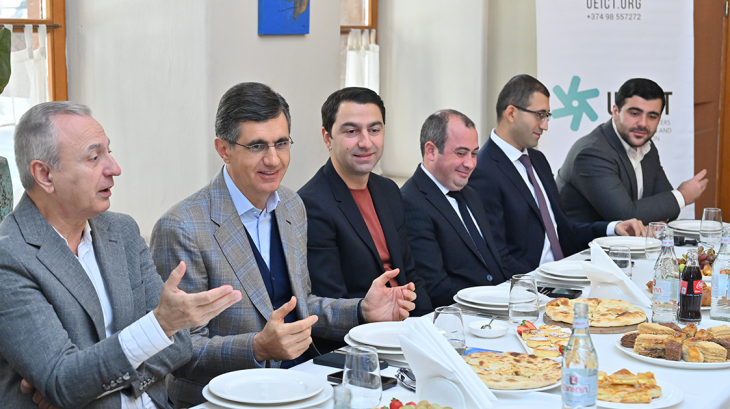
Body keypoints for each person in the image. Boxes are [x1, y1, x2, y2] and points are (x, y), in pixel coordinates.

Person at [150, 82, 417, 408]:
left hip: (304, 382)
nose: (273, 159)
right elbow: (177, 352)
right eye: (257, 146)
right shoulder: (182, 227)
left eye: (281, 143)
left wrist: (361, 309)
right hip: (228, 400)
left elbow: (304, 305)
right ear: (224, 149)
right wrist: (257, 347)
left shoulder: (291, 205)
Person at [0, 101, 241, 409]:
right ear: (44, 174)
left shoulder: (121, 232)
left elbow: (179, 345)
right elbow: (63, 382)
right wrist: (158, 327)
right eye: (94, 157)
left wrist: (91, 388)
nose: (114, 168)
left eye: (109, 152)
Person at [468, 75, 645, 277]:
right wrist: (548, 282)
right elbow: (498, 257)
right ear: (511, 113)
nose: (545, 125)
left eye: (547, 116)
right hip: (533, 284)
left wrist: (613, 228)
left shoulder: (537, 160)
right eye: (539, 115)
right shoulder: (483, 170)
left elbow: (562, 231)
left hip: (565, 273)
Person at [298, 87, 432, 326]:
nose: (366, 142)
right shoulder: (311, 204)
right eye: (351, 131)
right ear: (327, 138)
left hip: (408, 326)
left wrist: (428, 327)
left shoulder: (388, 190)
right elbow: (331, 300)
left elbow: (410, 273)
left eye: (374, 130)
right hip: (360, 335)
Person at [557, 78, 708, 224]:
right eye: (635, 113)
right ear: (615, 111)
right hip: (587, 242)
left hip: (627, 241)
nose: (643, 124)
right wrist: (682, 196)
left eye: (652, 116)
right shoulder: (592, 154)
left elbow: (667, 206)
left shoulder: (647, 147)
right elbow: (625, 217)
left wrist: (654, 220)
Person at [400, 110, 511, 307]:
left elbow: (494, 262)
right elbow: (436, 287)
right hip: (468, 314)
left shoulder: (471, 194)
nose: (470, 163)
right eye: (461, 153)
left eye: (474, 153)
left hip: (502, 303)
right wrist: (494, 303)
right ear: (431, 151)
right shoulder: (411, 202)